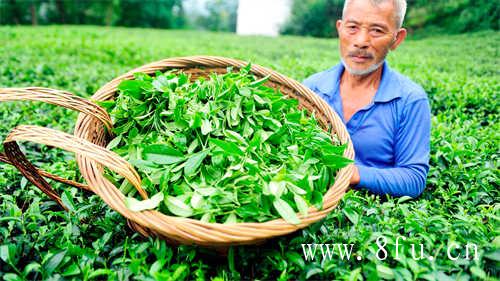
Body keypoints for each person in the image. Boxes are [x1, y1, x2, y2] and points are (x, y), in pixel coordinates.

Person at [303, 0, 431, 198]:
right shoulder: (311, 88)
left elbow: (413, 178)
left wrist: (351, 173)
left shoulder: (410, 100)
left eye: (377, 30)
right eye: (352, 27)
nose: (361, 41)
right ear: (340, 28)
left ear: (397, 39)